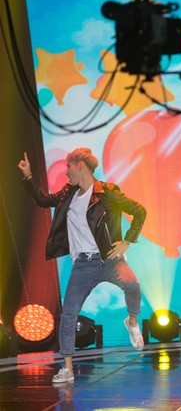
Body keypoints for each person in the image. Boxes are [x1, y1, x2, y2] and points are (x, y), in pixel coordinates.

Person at [18, 149, 146, 384]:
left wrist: (127, 241)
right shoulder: (69, 193)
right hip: (83, 264)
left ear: (81, 167)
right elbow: (43, 200)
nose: (66, 172)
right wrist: (28, 177)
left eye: (69, 167)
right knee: (68, 315)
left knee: (133, 285)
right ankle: (67, 368)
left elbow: (139, 211)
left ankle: (132, 322)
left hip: (109, 258)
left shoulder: (107, 192)